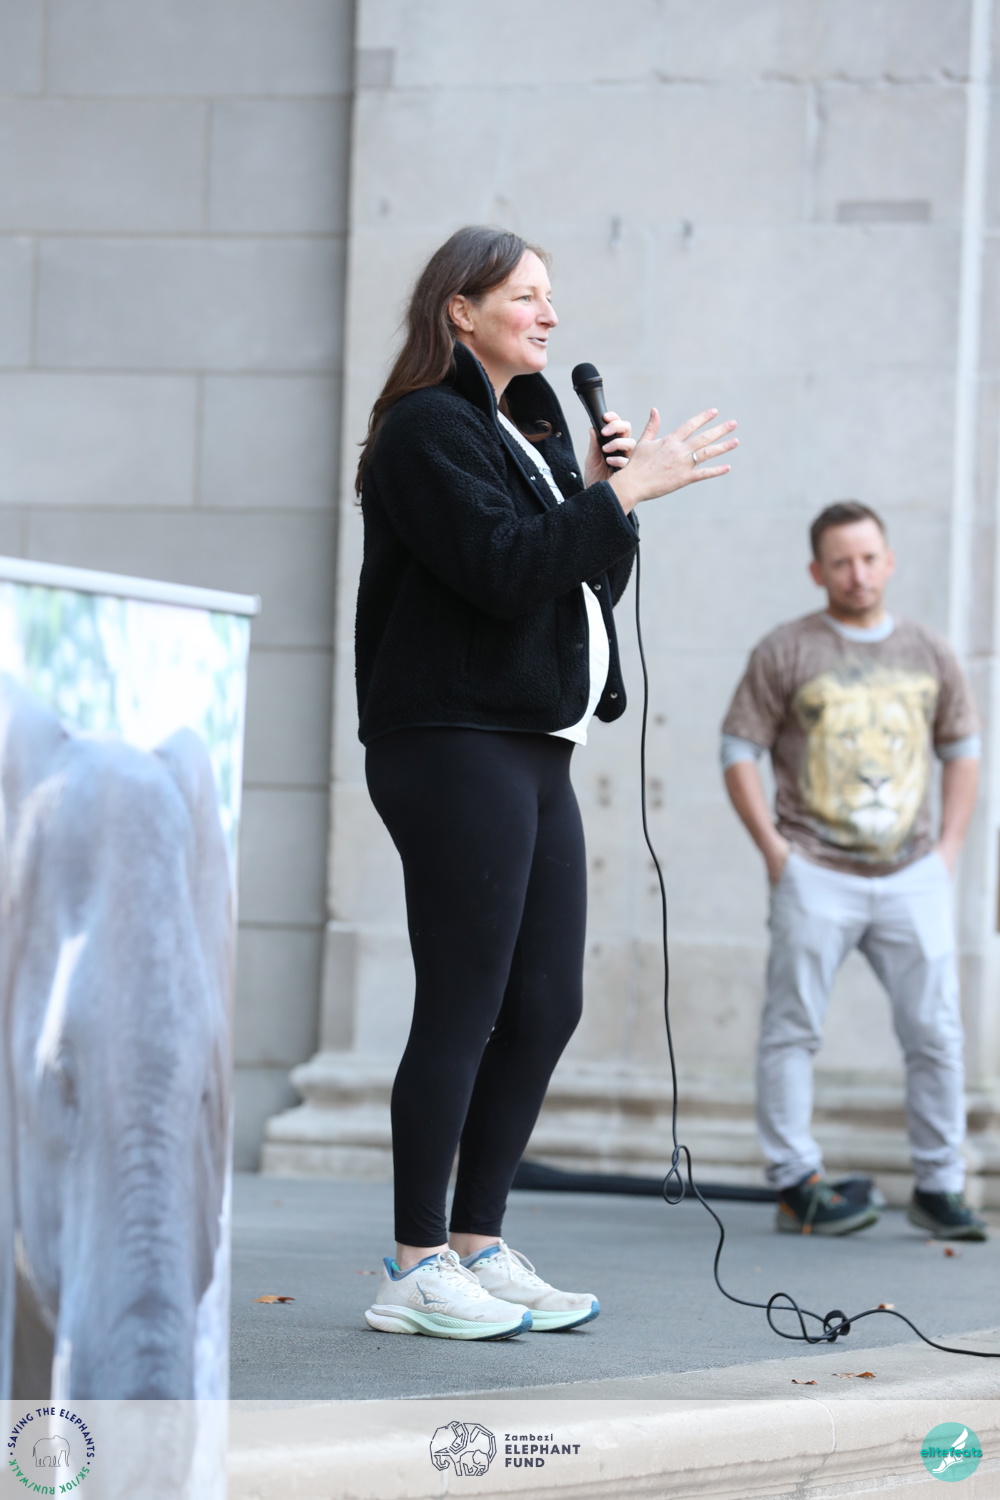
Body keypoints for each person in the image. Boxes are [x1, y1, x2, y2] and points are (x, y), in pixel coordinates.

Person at [354, 225, 738, 1339]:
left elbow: (577, 584)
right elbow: (500, 571)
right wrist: (618, 496)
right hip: (452, 738)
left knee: (544, 1004)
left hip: (532, 741)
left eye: (549, 296)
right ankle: (414, 1263)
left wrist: (608, 493)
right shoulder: (426, 428)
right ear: (459, 309)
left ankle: (477, 1242)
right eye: (525, 295)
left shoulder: (518, 433)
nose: (550, 315)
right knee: (464, 999)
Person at [721, 501, 988, 1241]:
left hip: (913, 871)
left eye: (869, 558)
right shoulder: (785, 649)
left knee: (937, 1033)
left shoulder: (929, 650)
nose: (858, 574)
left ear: (889, 560)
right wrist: (775, 850)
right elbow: (737, 748)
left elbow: (963, 749)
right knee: (792, 1029)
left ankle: (940, 1186)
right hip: (815, 868)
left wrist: (949, 850)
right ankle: (796, 1183)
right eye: (841, 562)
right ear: (817, 571)